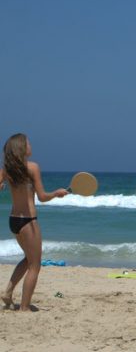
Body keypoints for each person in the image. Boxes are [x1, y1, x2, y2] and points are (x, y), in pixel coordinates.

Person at [0, 133, 68, 311]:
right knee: (35, 265)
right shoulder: (32, 167)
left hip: (14, 221)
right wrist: (57, 193)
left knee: (28, 259)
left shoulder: (6, 170)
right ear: (21, 147)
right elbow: (43, 197)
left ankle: (7, 292)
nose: (30, 145)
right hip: (28, 222)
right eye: (28, 142)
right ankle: (24, 307)